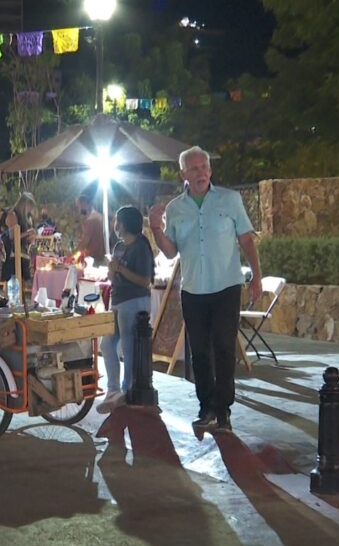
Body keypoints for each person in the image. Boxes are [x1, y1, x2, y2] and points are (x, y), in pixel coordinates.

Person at [149, 146, 262, 432]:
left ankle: (223, 410)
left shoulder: (230, 199)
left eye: (204, 167)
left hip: (226, 287)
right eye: (194, 168)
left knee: (224, 348)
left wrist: (257, 278)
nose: (200, 172)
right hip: (194, 289)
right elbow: (171, 252)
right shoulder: (175, 209)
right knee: (199, 352)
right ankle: (205, 407)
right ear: (183, 174)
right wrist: (156, 231)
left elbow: (247, 240)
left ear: (210, 170)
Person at [98, 206, 156, 414]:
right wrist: (112, 271)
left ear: (125, 224)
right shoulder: (118, 247)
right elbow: (113, 278)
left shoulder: (141, 246)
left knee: (129, 347)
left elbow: (144, 280)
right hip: (117, 300)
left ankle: (128, 389)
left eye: (117, 221)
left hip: (135, 301)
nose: (115, 225)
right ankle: (113, 389)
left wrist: (120, 269)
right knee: (107, 344)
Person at [0, 193, 37, 283]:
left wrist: (30, 237)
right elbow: (12, 236)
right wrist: (27, 233)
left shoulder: (26, 217)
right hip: (12, 254)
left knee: (22, 281)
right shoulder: (12, 215)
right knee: (13, 282)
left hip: (22, 252)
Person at [77, 194, 107, 263]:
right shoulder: (100, 216)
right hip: (101, 255)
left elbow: (85, 241)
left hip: (93, 258)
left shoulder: (91, 220)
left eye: (79, 206)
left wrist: (74, 254)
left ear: (84, 204)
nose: (79, 209)